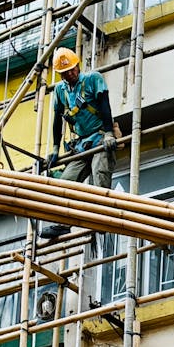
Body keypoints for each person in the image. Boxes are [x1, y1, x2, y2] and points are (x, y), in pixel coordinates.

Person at [40, 48, 121, 239]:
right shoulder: (60, 91)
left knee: (99, 173)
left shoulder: (93, 79)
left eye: (72, 70)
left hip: (100, 137)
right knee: (64, 183)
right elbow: (57, 120)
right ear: (60, 75)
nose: (70, 74)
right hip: (82, 143)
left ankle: (103, 216)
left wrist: (109, 133)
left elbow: (104, 106)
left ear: (78, 66)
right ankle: (62, 222)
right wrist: (54, 148)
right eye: (65, 73)